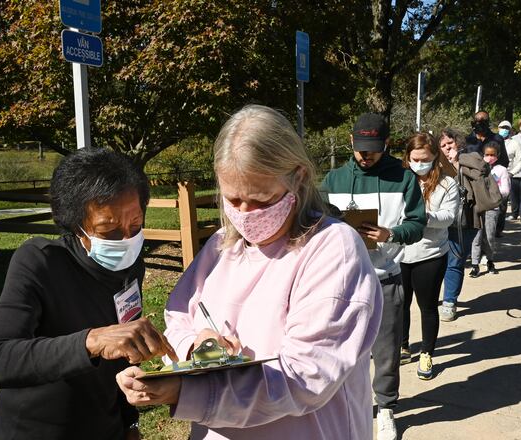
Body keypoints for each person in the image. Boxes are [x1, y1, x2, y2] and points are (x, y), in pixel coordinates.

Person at [115, 105, 384, 440]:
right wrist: (197, 347)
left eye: (261, 200)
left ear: (298, 178)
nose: (244, 214)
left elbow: (305, 377)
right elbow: (180, 315)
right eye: (233, 199)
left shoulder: (332, 249)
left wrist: (186, 392)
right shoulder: (221, 246)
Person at [0, 148, 178, 440]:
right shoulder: (39, 261)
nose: (126, 239)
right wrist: (92, 341)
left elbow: (124, 355)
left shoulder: (132, 266)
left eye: (135, 225)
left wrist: (130, 423)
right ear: (76, 226)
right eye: (107, 229)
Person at [319, 112, 426, 440]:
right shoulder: (333, 180)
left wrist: (390, 234)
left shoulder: (404, 178)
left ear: (386, 144)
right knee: (340, 352)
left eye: (374, 149)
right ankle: (347, 407)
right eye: (361, 148)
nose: (366, 155)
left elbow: (417, 224)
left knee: (386, 352)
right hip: (341, 283)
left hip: (385, 278)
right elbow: (315, 223)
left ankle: (386, 409)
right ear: (351, 142)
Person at [399, 133, 459, 381]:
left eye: (425, 159)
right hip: (400, 252)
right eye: (414, 159)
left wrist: (423, 217)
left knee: (427, 306)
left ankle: (426, 352)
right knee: (400, 304)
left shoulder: (447, 184)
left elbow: (449, 217)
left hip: (431, 253)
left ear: (435, 157)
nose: (419, 163)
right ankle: (402, 346)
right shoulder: (399, 180)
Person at [437, 129, 478, 322]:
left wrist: (456, 161)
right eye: (443, 145)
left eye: (450, 143)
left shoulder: (471, 158)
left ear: (458, 143)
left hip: (464, 221)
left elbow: (480, 176)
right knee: (436, 261)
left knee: (455, 261)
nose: (447, 148)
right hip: (438, 220)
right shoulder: (434, 162)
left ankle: (449, 302)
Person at [469, 141, 510, 277]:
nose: (490, 157)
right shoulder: (477, 168)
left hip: (492, 207)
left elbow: (505, 190)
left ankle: (490, 261)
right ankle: (475, 265)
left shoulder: (501, 170)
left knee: (489, 236)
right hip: (478, 207)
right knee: (477, 236)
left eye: (493, 155)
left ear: (497, 156)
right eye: (487, 154)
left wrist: (492, 193)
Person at [497, 120, 521, 236]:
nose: (504, 130)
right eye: (502, 127)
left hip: (506, 178)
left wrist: (511, 173)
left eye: (506, 128)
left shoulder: (514, 144)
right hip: (491, 176)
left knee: (502, 205)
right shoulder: (493, 141)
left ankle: (498, 230)